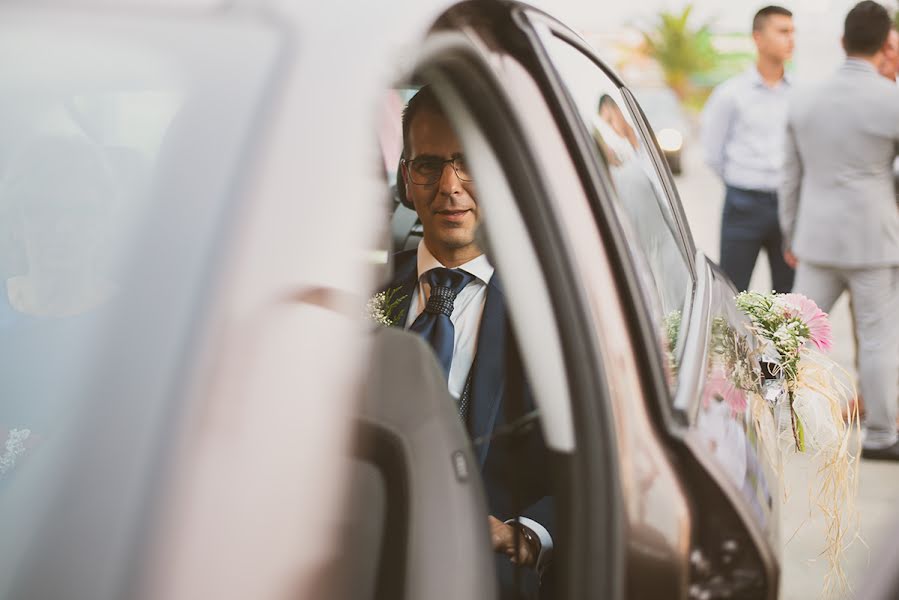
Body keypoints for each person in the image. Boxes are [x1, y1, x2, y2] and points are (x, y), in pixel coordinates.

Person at [382, 86, 554, 595]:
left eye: (469, 163)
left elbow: (603, 462)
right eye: (430, 166)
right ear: (406, 180)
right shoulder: (360, 301)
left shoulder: (552, 312)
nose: (450, 187)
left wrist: (522, 536)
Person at [779, 1, 899, 460]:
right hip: (876, 240)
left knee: (796, 336)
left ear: (843, 42)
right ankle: (883, 435)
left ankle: (786, 423)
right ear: (884, 43)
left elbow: (789, 176)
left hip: (817, 238)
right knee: (877, 338)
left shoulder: (804, 98)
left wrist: (792, 234)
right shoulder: (891, 99)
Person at [701, 5, 796, 293]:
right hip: (743, 205)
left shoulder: (800, 94)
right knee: (731, 294)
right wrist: (742, 182)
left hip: (787, 208)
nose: (791, 39)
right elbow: (712, 154)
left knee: (790, 304)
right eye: (782, 31)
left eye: (792, 32)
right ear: (758, 37)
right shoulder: (730, 94)